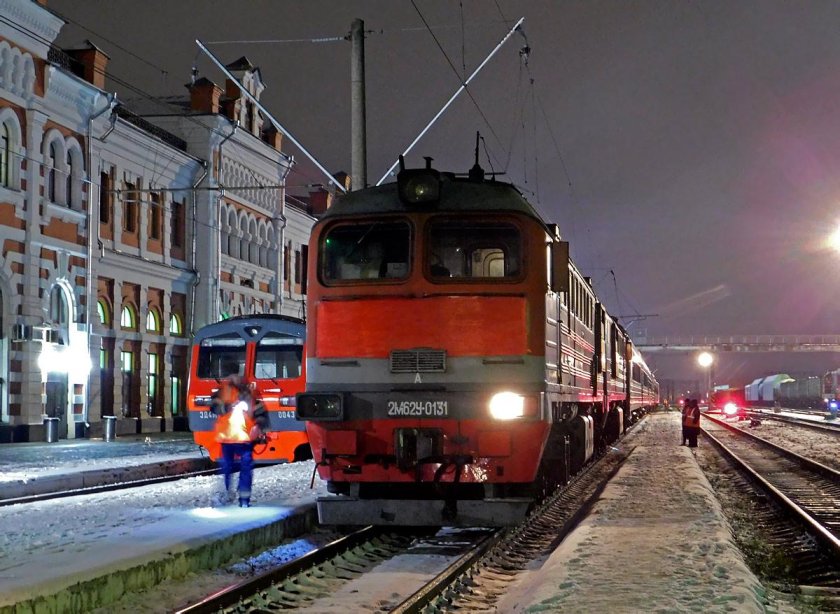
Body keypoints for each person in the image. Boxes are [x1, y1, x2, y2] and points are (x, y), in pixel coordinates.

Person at [214, 379, 256, 507]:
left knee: (229, 468)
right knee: (241, 468)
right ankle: (235, 497)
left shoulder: (225, 391)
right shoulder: (245, 392)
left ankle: (239, 498)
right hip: (235, 439)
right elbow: (214, 407)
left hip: (237, 439)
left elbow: (214, 407)